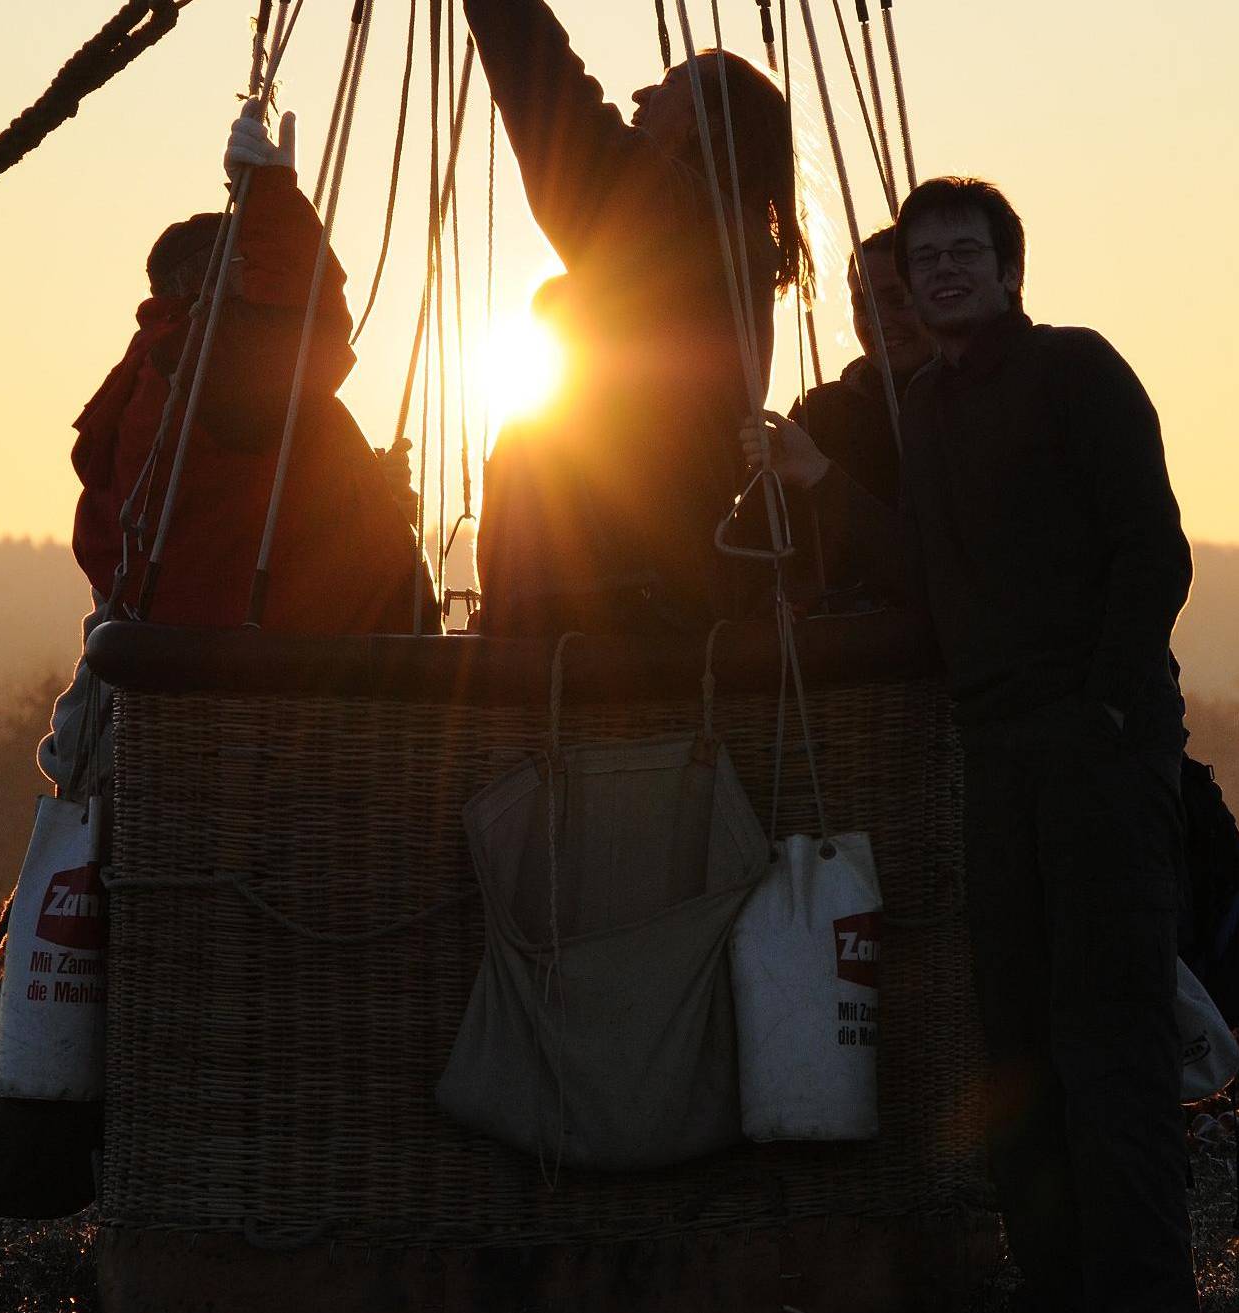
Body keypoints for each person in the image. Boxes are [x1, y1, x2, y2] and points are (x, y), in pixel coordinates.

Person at [747, 176, 1199, 1312]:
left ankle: (1139, 1292)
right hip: (995, 752)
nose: (939, 271)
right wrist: (820, 484)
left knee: (1109, 1035)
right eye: (923, 258)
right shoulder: (932, 418)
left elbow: (1153, 548)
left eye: (963, 252)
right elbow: (927, 577)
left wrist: (1103, 706)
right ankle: (1057, 1285)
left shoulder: (1074, 373)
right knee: (1020, 1041)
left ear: (1007, 269)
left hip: (1093, 747)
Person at [39, 104, 434, 794]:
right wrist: (274, 201)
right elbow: (301, 334)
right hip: (280, 727)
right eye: (241, 267)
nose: (250, 281)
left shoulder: (172, 381)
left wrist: (361, 490)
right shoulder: (198, 367)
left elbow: (240, 492)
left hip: (213, 719)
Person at [464, 0, 809, 636]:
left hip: (601, 612)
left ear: (709, 125)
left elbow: (565, 124)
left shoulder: (688, 223)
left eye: (671, 84)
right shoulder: (713, 243)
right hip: (600, 599)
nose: (641, 93)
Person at [779, 225, 933, 606]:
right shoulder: (820, 414)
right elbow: (762, 538)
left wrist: (818, 474)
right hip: (837, 646)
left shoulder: (975, 407)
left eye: (897, 300)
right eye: (862, 304)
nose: (877, 321)